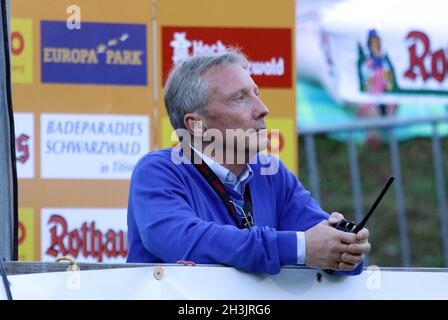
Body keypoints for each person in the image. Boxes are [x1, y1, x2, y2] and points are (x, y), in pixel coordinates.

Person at [127, 49, 371, 275]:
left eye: (256, 93)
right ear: (197, 125)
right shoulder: (158, 171)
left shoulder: (272, 173)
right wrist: (300, 247)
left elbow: (330, 254)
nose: (263, 109)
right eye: (240, 98)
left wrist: (345, 247)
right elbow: (187, 243)